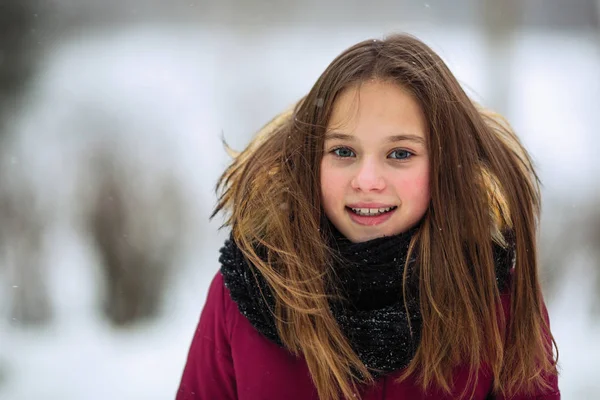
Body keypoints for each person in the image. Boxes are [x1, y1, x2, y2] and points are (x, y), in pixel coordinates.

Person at [176, 33, 560, 400]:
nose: (368, 181)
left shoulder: (495, 295)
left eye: (400, 154)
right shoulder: (249, 287)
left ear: (446, 164)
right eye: (344, 152)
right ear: (309, 160)